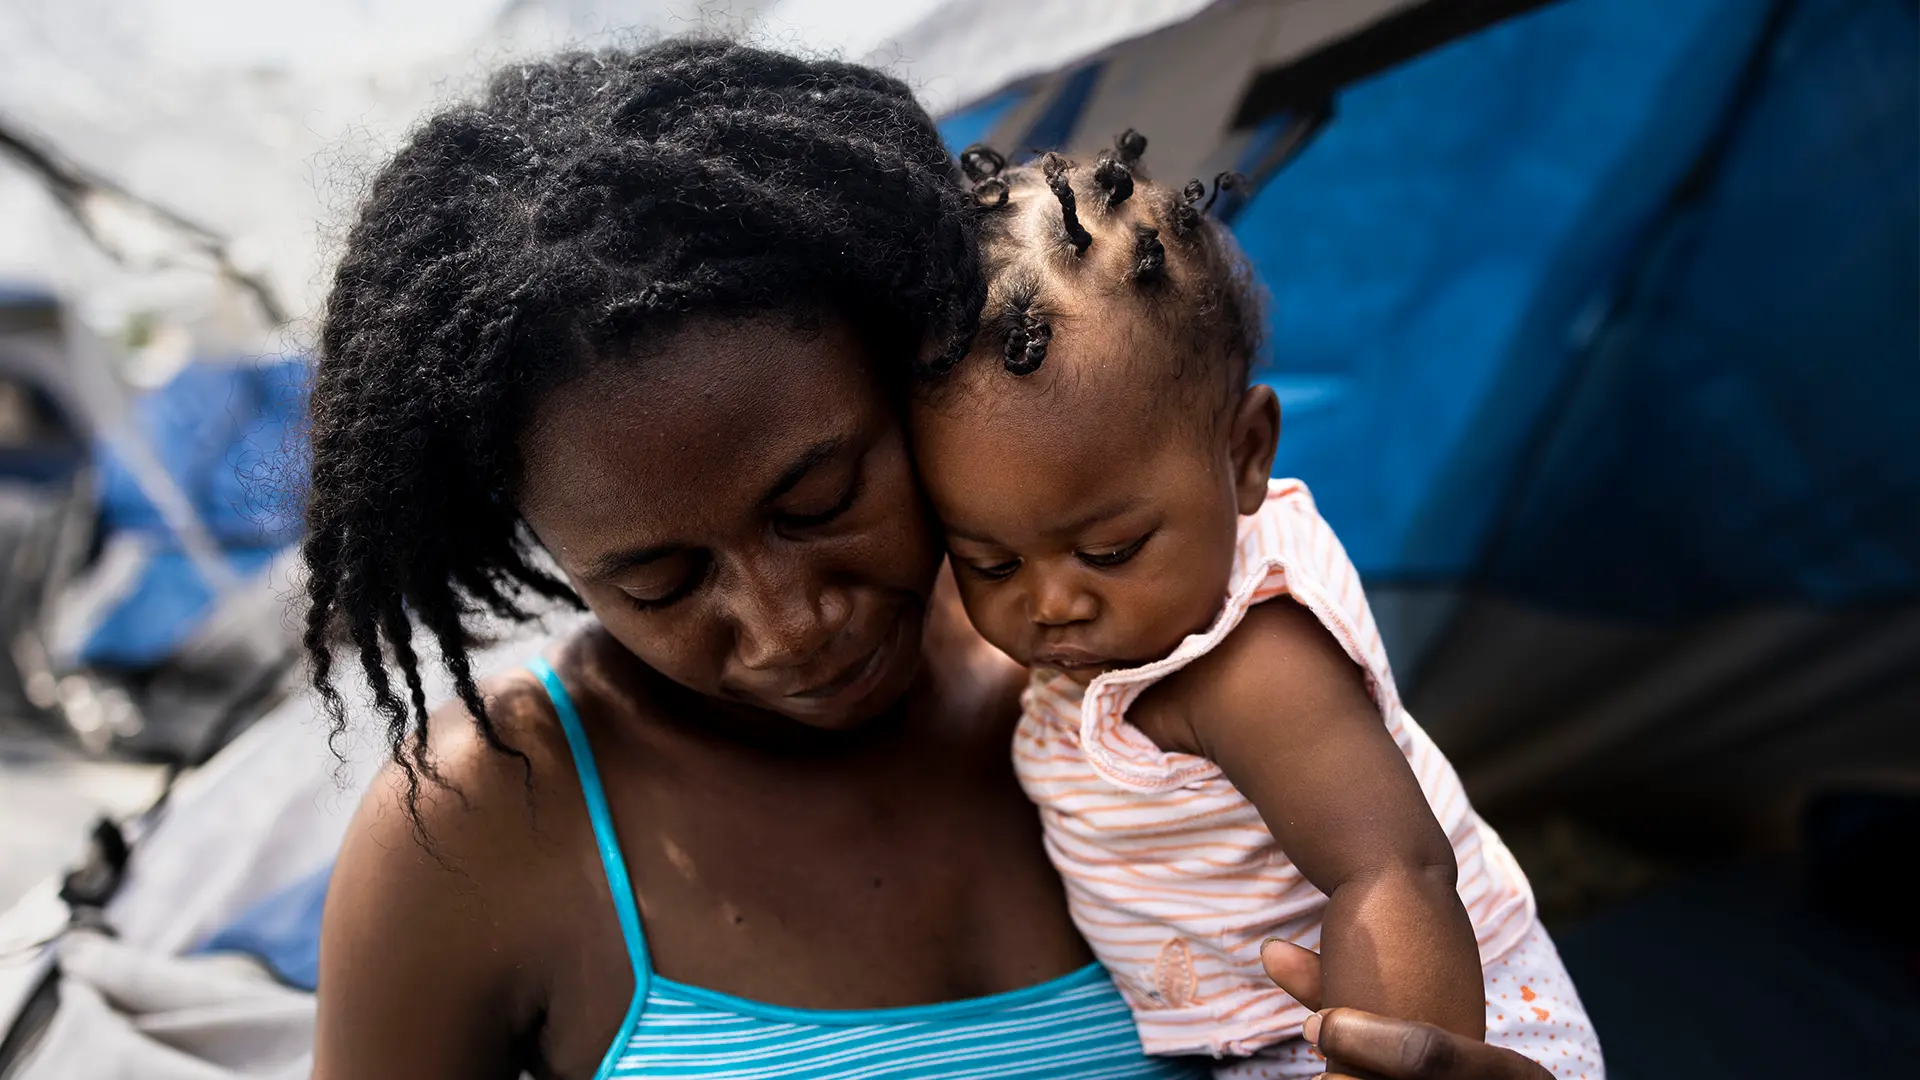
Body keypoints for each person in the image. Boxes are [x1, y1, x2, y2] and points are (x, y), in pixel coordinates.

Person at [301, 38, 1568, 1080]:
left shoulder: (1105, 656)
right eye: (663, 584)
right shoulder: (486, 830)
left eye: (822, 498)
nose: (789, 621)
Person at [907, 144, 1604, 1079]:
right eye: (988, 562)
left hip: (1421, 1027)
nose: (1054, 600)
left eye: (1110, 551)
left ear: (1245, 455)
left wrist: (1388, 1059)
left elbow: (1391, 869)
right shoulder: (1107, 637)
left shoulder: (1249, 661)